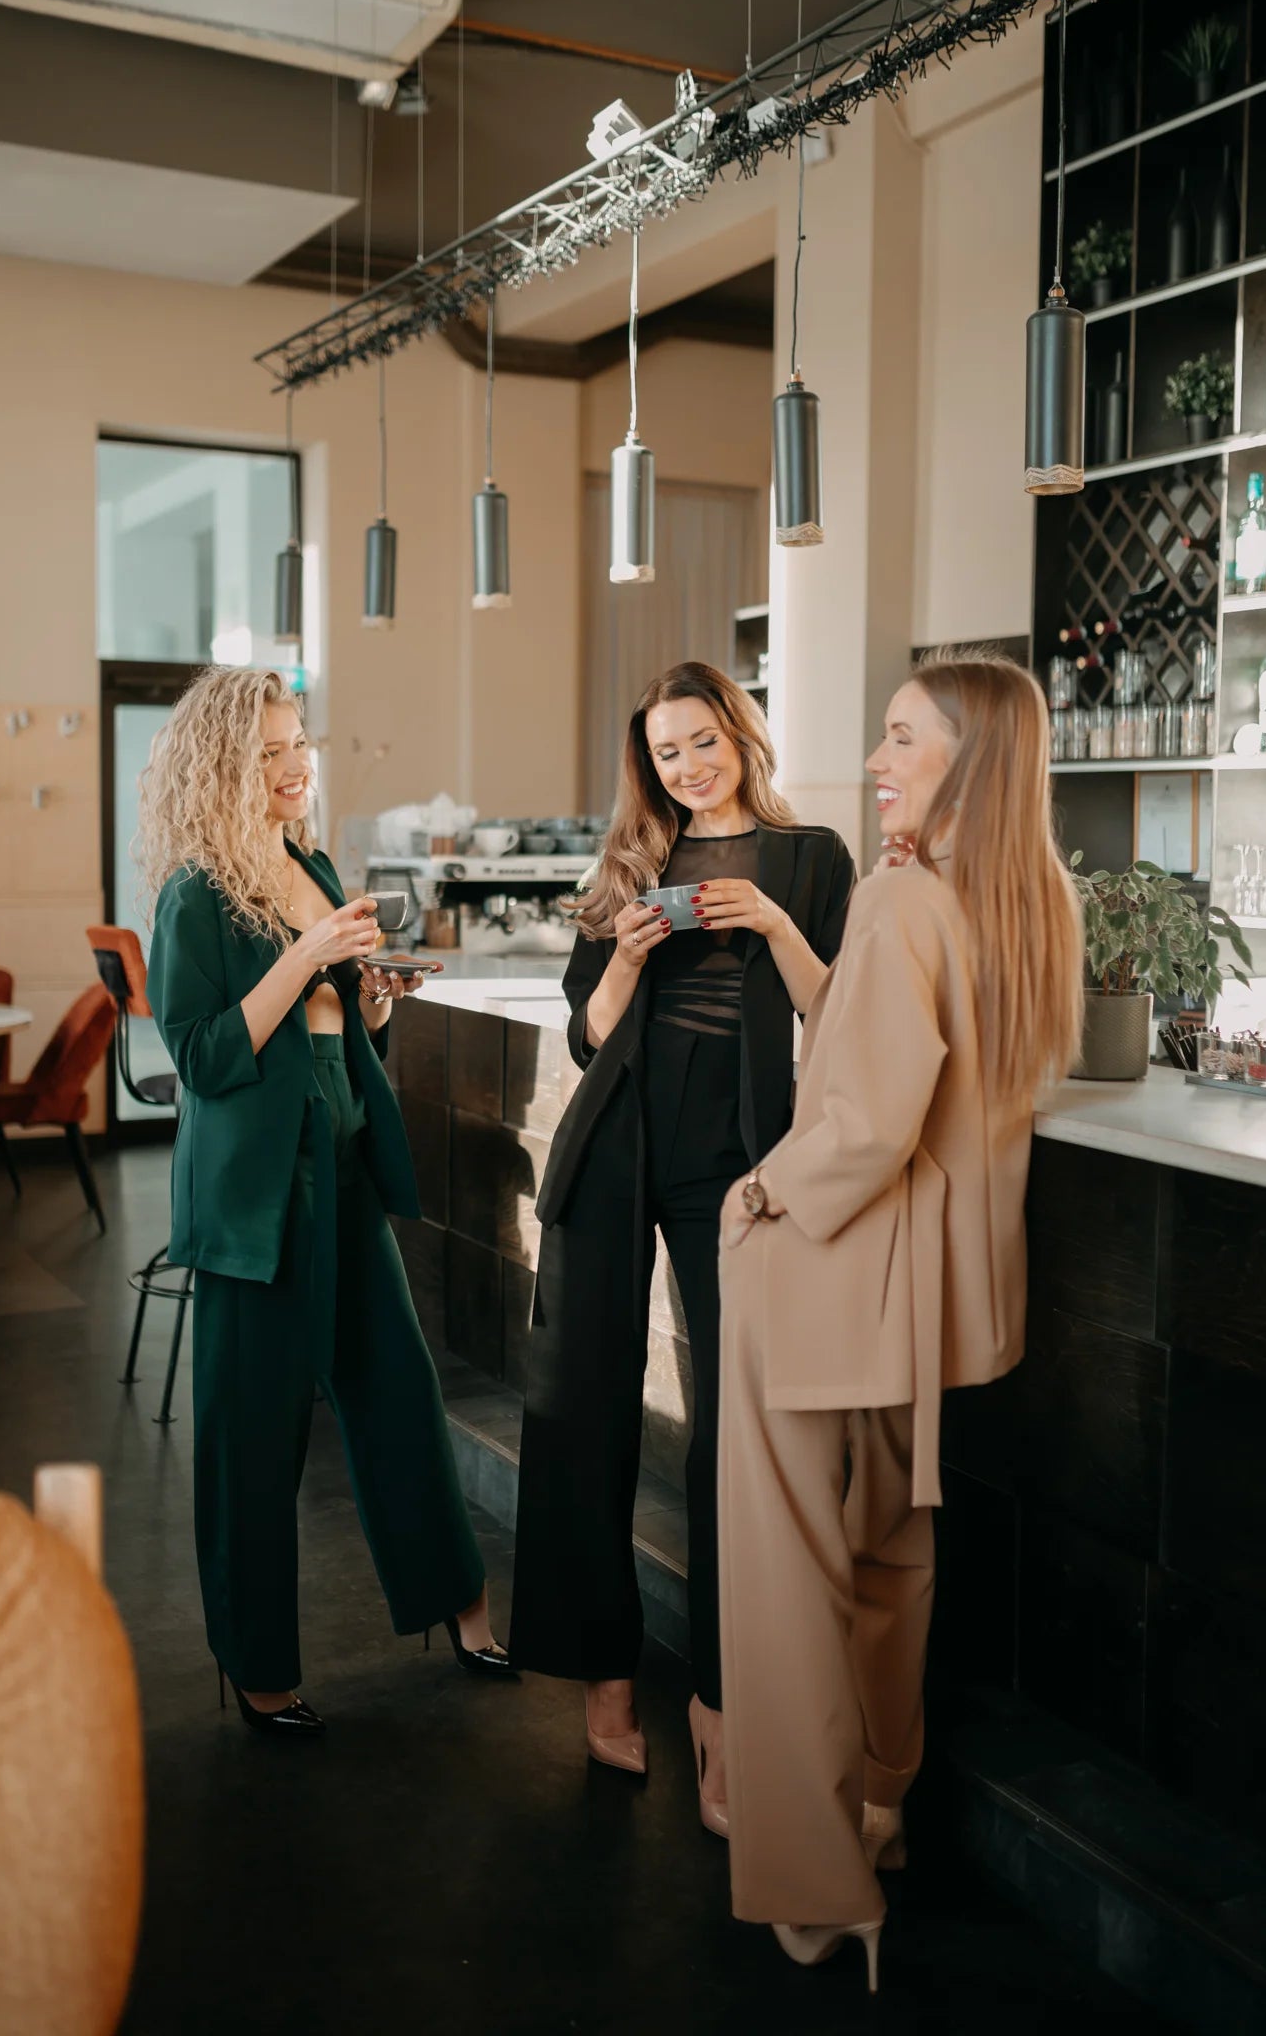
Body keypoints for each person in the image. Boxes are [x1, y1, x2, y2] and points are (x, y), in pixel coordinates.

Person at [717, 652, 1083, 1989]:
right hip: (937, 1310)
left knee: (789, 1587)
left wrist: (760, 1198)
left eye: (899, 740)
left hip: (842, 1275)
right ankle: (878, 1813)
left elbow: (863, 1119)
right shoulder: (1027, 904)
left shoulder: (903, 895)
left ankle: (818, 1894)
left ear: (966, 763)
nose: (875, 764)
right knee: (889, 1566)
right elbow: (917, 1064)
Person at [508, 661, 855, 1833]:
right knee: (581, 1406)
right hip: (618, 1133)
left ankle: (720, 1704)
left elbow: (838, 1015)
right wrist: (628, 949)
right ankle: (607, 1673)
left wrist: (770, 921)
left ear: (739, 733)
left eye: (702, 742)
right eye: (666, 753)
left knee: (733, 1439)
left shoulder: (811, 858)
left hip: (737, 1154)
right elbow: (588, 1028)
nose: (687, 766)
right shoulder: (629, 862)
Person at [139, 666, 510, 1735]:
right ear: (221, 765)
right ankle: (255, 1663)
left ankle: (460, 1600)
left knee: (395, 1386)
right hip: (257, 1190)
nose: (294, 762)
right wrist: (309, 952)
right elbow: (206, 1059)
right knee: (253, 1435)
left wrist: (372, 1000)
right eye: (267, 751)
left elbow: (328, 1029)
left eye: (299, 740)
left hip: (340, 1157)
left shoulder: (309, 858)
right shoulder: (195, 891)